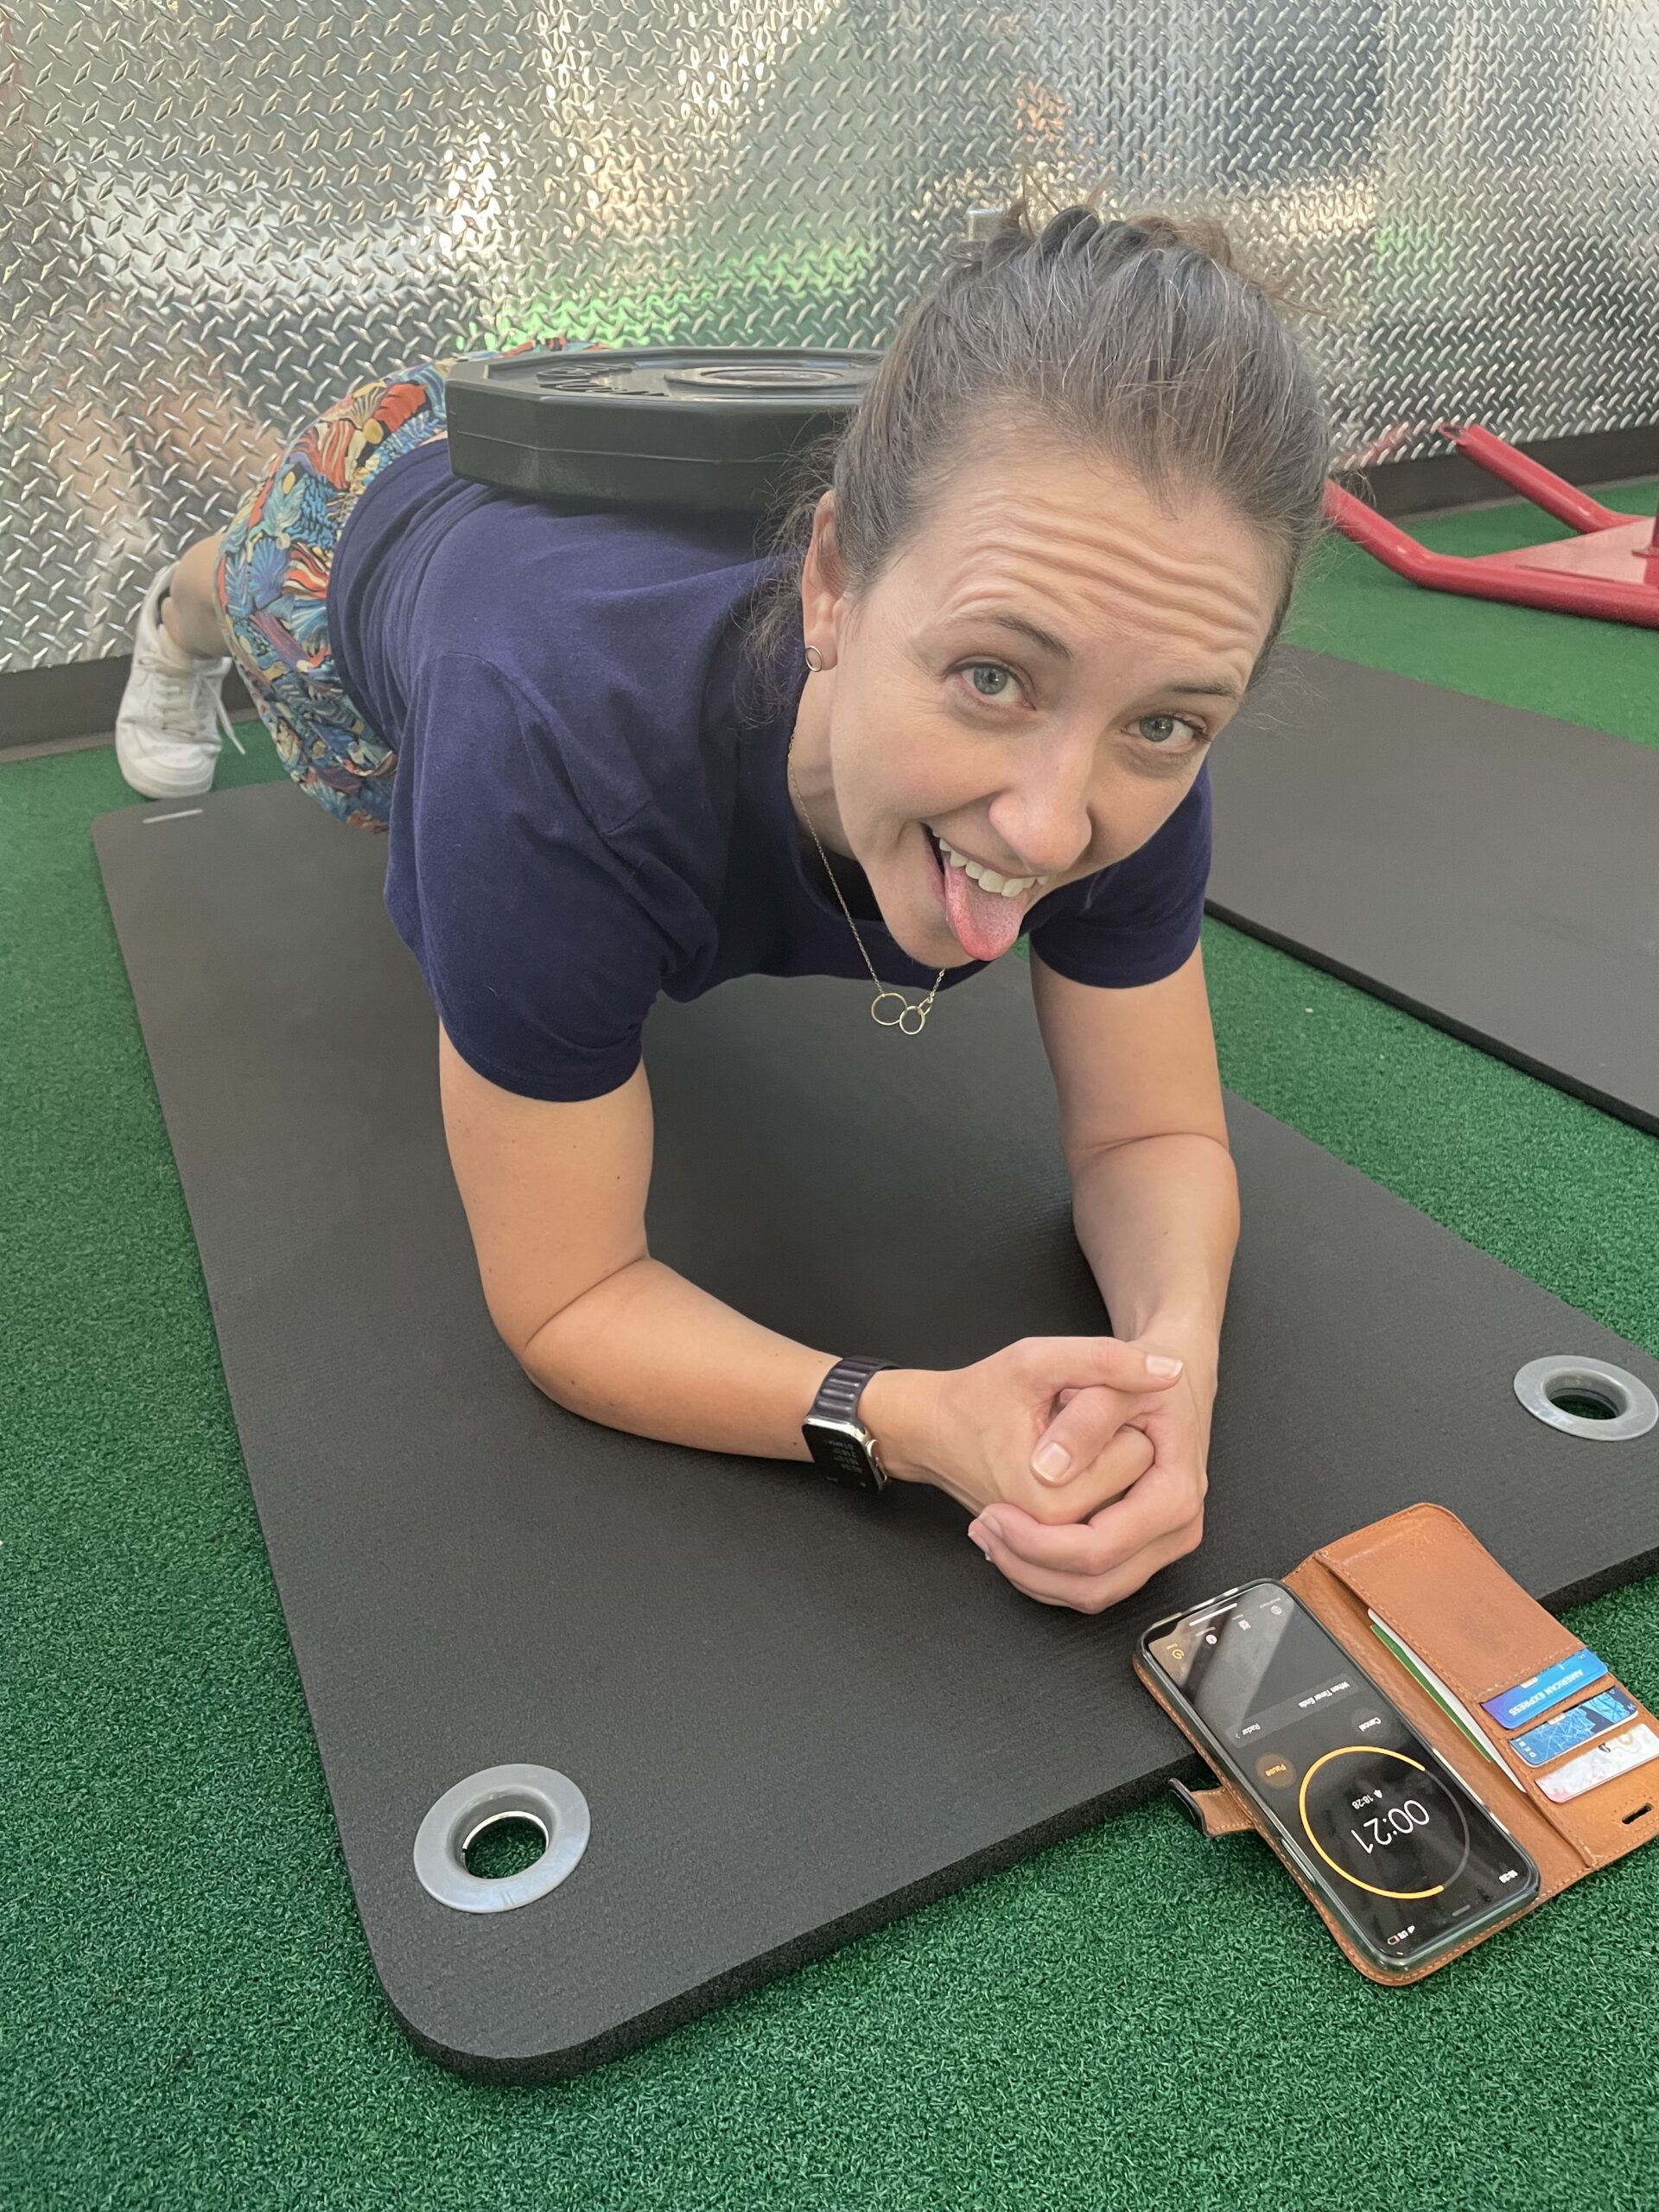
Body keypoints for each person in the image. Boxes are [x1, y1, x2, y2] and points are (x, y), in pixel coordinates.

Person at [112, 198, 1329, 1613]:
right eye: (994, 675)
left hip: (628, 475)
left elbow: (1152, 1131)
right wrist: (906, 1420)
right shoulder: (542, 758)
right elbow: (570, 1301)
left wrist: (1168, 1376)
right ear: (832, 584)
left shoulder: (1130, 750)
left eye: (1170, 722)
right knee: (256, 586)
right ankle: (172, 610)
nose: (1055, 827)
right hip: (388, 510)